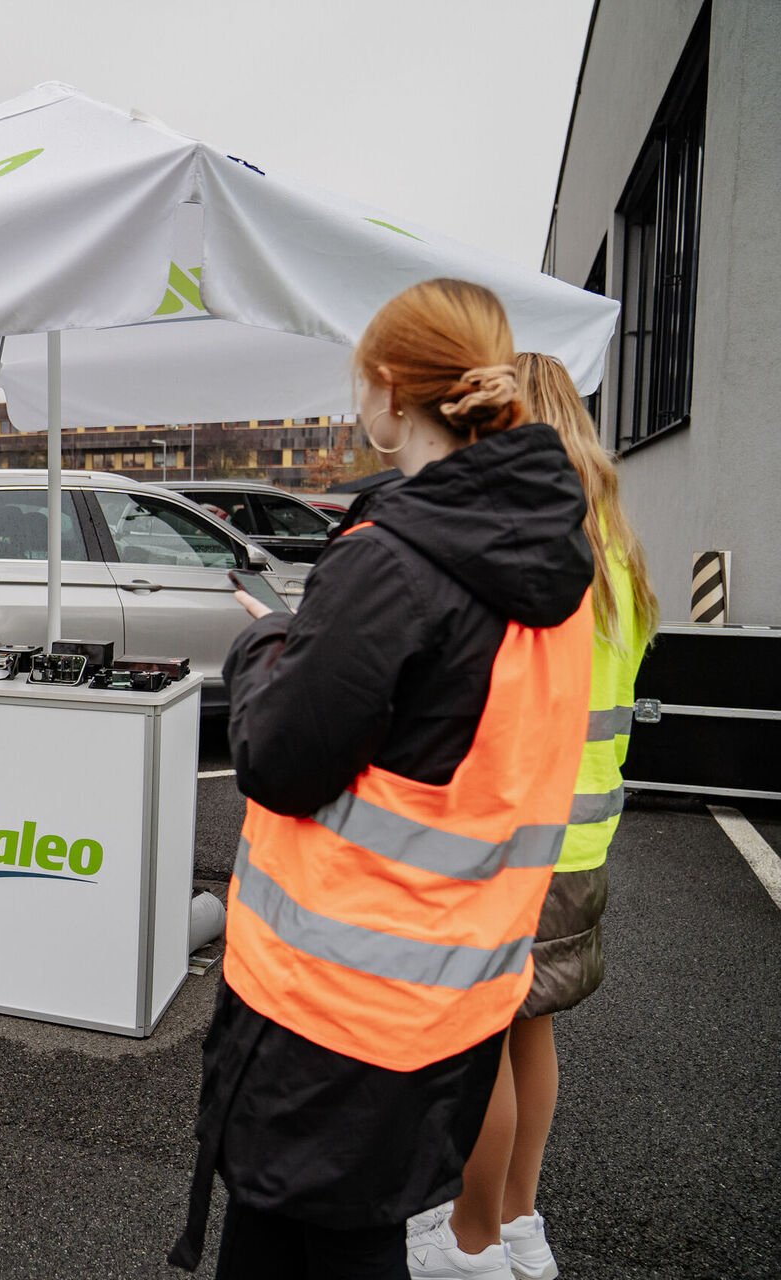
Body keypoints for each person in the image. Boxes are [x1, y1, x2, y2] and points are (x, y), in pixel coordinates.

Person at [168, 278, 596, 1279]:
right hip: (453, 995)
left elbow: (279, 756)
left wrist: (266, 636)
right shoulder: (554, 563)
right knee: (349, 1237)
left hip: (329, 1012)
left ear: (392, 391)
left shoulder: (395, 559)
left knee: (307, 1240)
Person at [411, 352, 660, 1280]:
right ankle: (519, 1227)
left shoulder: (529, 555)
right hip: (585, 843)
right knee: (531, 1030)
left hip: (512, 846)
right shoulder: (618, 556)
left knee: (479, 1046)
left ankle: (467, 1245)